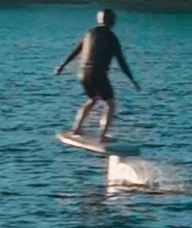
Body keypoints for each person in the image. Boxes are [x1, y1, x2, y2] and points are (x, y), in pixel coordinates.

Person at [53, 8, 140, 142]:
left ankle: (76, 128)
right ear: (112, 21)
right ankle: (103, 135)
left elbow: (76, 51)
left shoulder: (89, 32)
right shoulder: (111, 37)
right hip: (98, 73)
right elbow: (121, 61)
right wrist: (132, 80)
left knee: (93, 99)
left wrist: (62, 66)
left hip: (83, 73)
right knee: (111, 104)